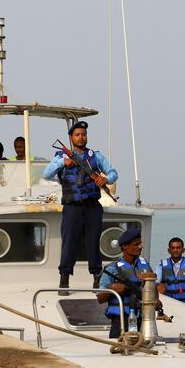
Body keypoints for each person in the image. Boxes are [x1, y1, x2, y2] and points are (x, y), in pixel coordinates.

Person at [42, 120, 118, 294]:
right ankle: (64, 280)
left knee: (93, 242)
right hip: (72, 207)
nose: (81, 137)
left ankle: (97, 279)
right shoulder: (61, 156)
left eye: (83, 134)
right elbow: (46, 174)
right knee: (69, 243)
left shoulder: (96, 156)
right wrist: (63, 163)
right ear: (71, 138)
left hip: (92, 206)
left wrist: (105, 179)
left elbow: (113, 172)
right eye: (77, 134)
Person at [96, 228, 155, 338]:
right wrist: (112, 289)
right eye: (136, 244)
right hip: (120, 322)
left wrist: (156, 301)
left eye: (140, 243)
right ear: (124, 246)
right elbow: (100, 299)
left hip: (143, 320)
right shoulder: (112, 269)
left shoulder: (146, 266)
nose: (140, 247)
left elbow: (152, 289)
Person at [156, 237, 185, 305]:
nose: (175, 250)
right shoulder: (161, 265)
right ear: (169, 250)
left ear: (183, 250)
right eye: (173, 248)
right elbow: (156, 283)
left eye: (178, 248)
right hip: (168, 305)